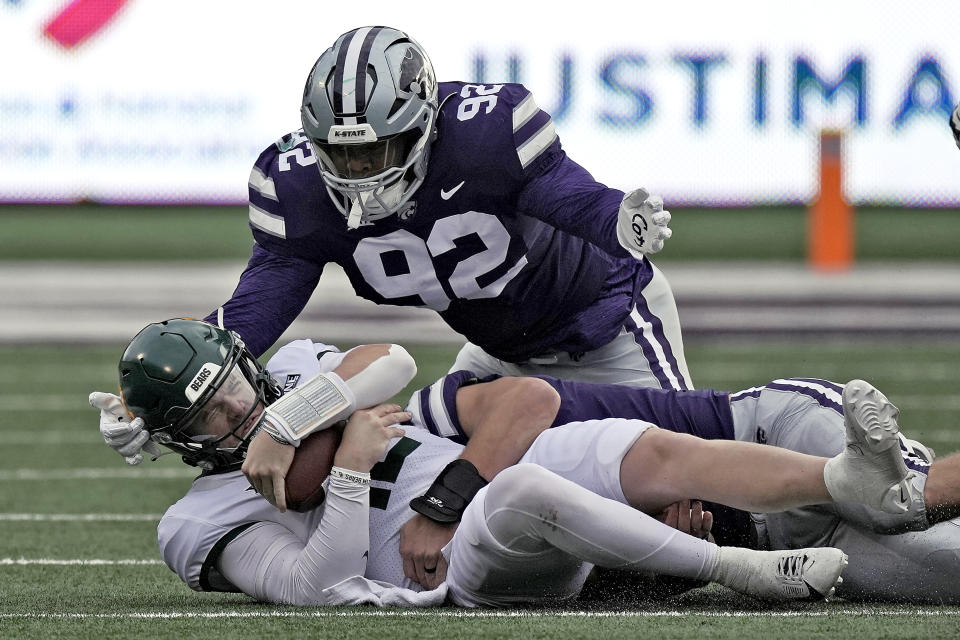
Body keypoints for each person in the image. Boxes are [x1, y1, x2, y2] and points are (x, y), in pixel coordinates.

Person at [95, 319, 923, 608]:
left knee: (626, 448)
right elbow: (316, 587)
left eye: (235, 386)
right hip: (450, 562)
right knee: (530, 484)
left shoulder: (300, 373)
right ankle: (742, 568)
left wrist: (294, 418)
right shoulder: (195, 522)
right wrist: (348, 466)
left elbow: (388, 364)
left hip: (463, 489)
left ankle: (832, 480)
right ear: (180, 435)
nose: (237, 410)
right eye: (210, 413)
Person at [202, 25, 690, 391]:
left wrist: (616, 219)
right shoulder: (297, 187)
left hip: (609, 326)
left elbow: (565, 195)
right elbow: (255, 311)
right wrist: (168, 378)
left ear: (424, 126)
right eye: (340, 152)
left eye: (376, 150)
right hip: (496, 357)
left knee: (687, 482)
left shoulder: (484, 137)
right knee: (440, 502)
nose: (359, 171)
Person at [394, 369, 960, 603]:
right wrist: (660, 566)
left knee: (902, 499)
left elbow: (528, 401)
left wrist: (444, 503)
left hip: (762, 432)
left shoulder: (414, 433)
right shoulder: (363, 560)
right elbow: (608, 574)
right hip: (777, 542)